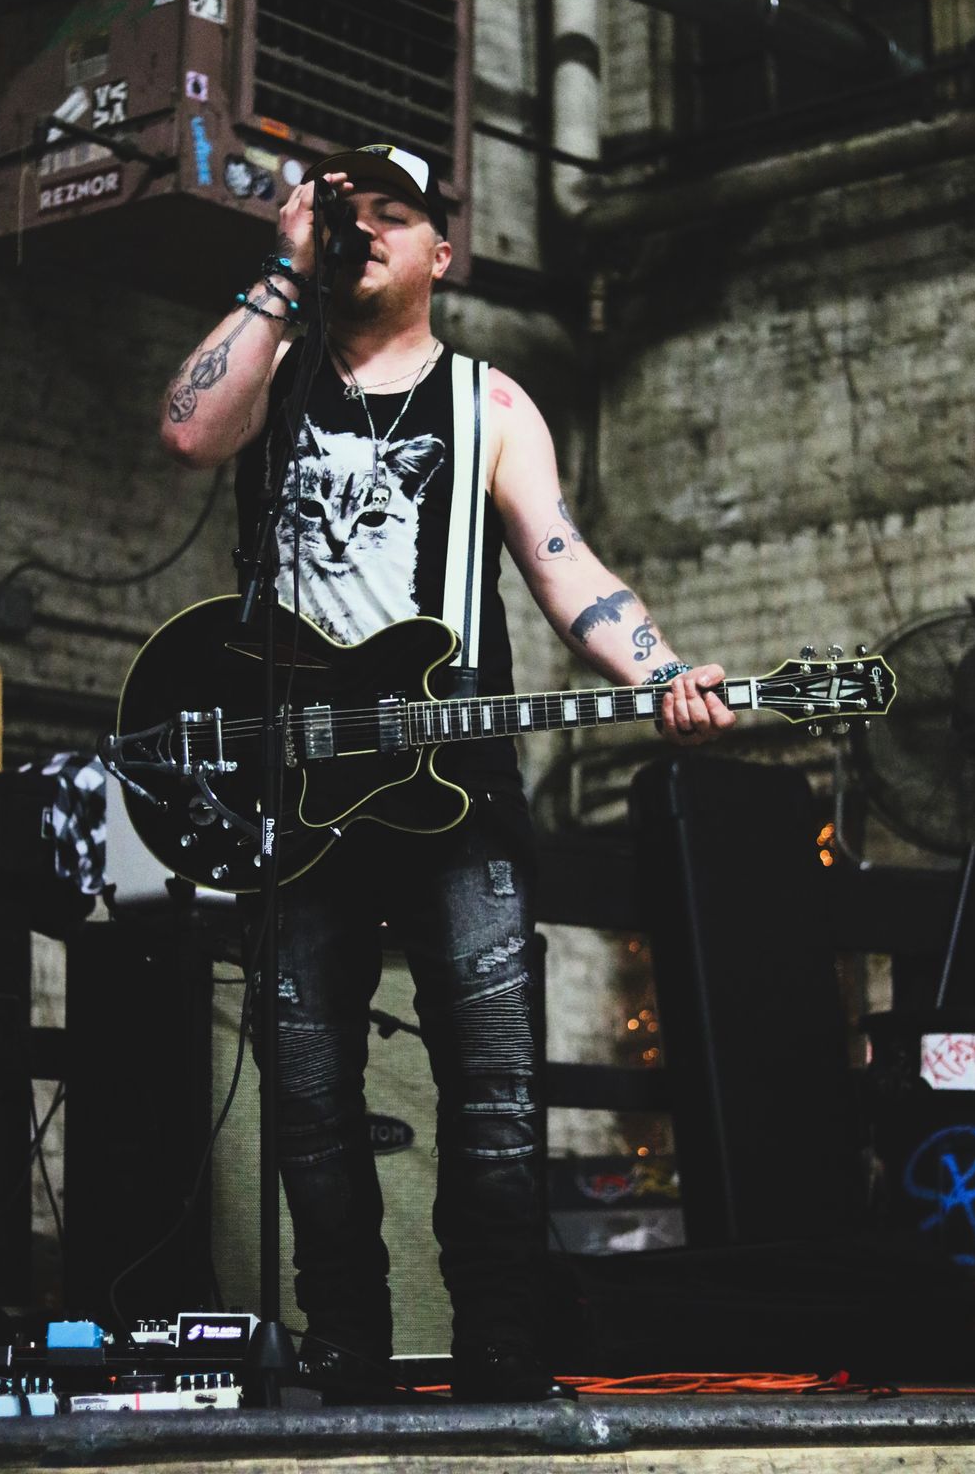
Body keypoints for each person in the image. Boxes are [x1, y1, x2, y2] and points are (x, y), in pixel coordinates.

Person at [159, 142, 736, 1404]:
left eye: (393, 212)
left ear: (441, 250)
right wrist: (281, 271)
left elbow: (565, 566)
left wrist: (661, 672)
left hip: (453, 786)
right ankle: (345, 1345)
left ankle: (499, 1348)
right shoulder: (274, 376)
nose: (364, 228)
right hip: (296, 786)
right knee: (308, 1093)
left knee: (494, 1091)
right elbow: (189, 433)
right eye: (346, 210)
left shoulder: (492, 404)